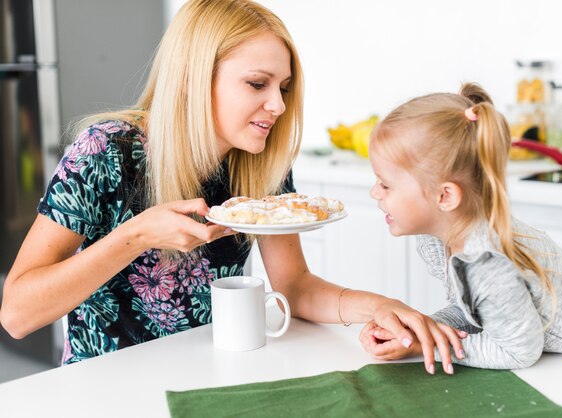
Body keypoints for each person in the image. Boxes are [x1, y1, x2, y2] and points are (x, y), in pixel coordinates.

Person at [0, 0, 463, 374]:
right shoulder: (106, 151)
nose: (278, 105)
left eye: (283, 87)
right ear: (192, 80)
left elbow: (295, 287)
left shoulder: (261, 164)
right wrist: (136, 236)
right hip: (105, 383)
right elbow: (17, 315)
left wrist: (384, 307)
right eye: (258, 84)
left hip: (211, 372)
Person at [359, 82, 562, 369]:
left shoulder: (484, 259)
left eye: (385, 184)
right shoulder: (443, 235)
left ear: (445, 196)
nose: (374, 193)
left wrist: (434, 345)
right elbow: (475, 309)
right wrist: (425, 330)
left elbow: (519, 351)